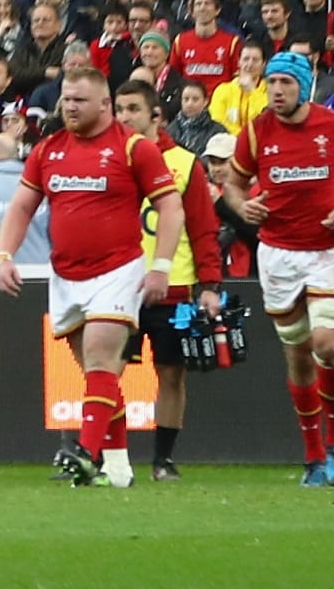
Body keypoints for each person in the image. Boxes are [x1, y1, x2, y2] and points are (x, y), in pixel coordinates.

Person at [0, 63, 186, 489]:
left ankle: (83, 451)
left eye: (80, 100)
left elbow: (171, 207)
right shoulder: (48, 149)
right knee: (98, 377)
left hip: (118, 269)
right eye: (66, 98)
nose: (70, 106)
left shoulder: (134, 148)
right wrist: (4, 254)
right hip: (66, 274)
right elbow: (22, 207)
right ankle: (117, 470)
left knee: (101, 359)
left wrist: (161, 267)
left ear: (104, 104)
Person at [220, 52, 334, 486]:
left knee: (327, 346)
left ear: (303, 86)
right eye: (271, 82)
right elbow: (231, 184)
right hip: (279, 254)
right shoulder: (255, 134)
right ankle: (312, 456)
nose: (276, 90)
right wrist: (242, 205)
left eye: (286, 83)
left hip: (329, 250)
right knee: (297, 354)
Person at [119, 79, 224, 481]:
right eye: (119, 108)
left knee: (171, 375)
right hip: (119, 286)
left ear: (155, 116)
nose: (124, 117)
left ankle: (162, 459)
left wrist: (210, 284)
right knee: (105, 371)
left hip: (174, 289)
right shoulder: (110, 159)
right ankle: (106, 454)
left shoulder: (183, 162)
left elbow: (202, 227)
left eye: (133, 109)